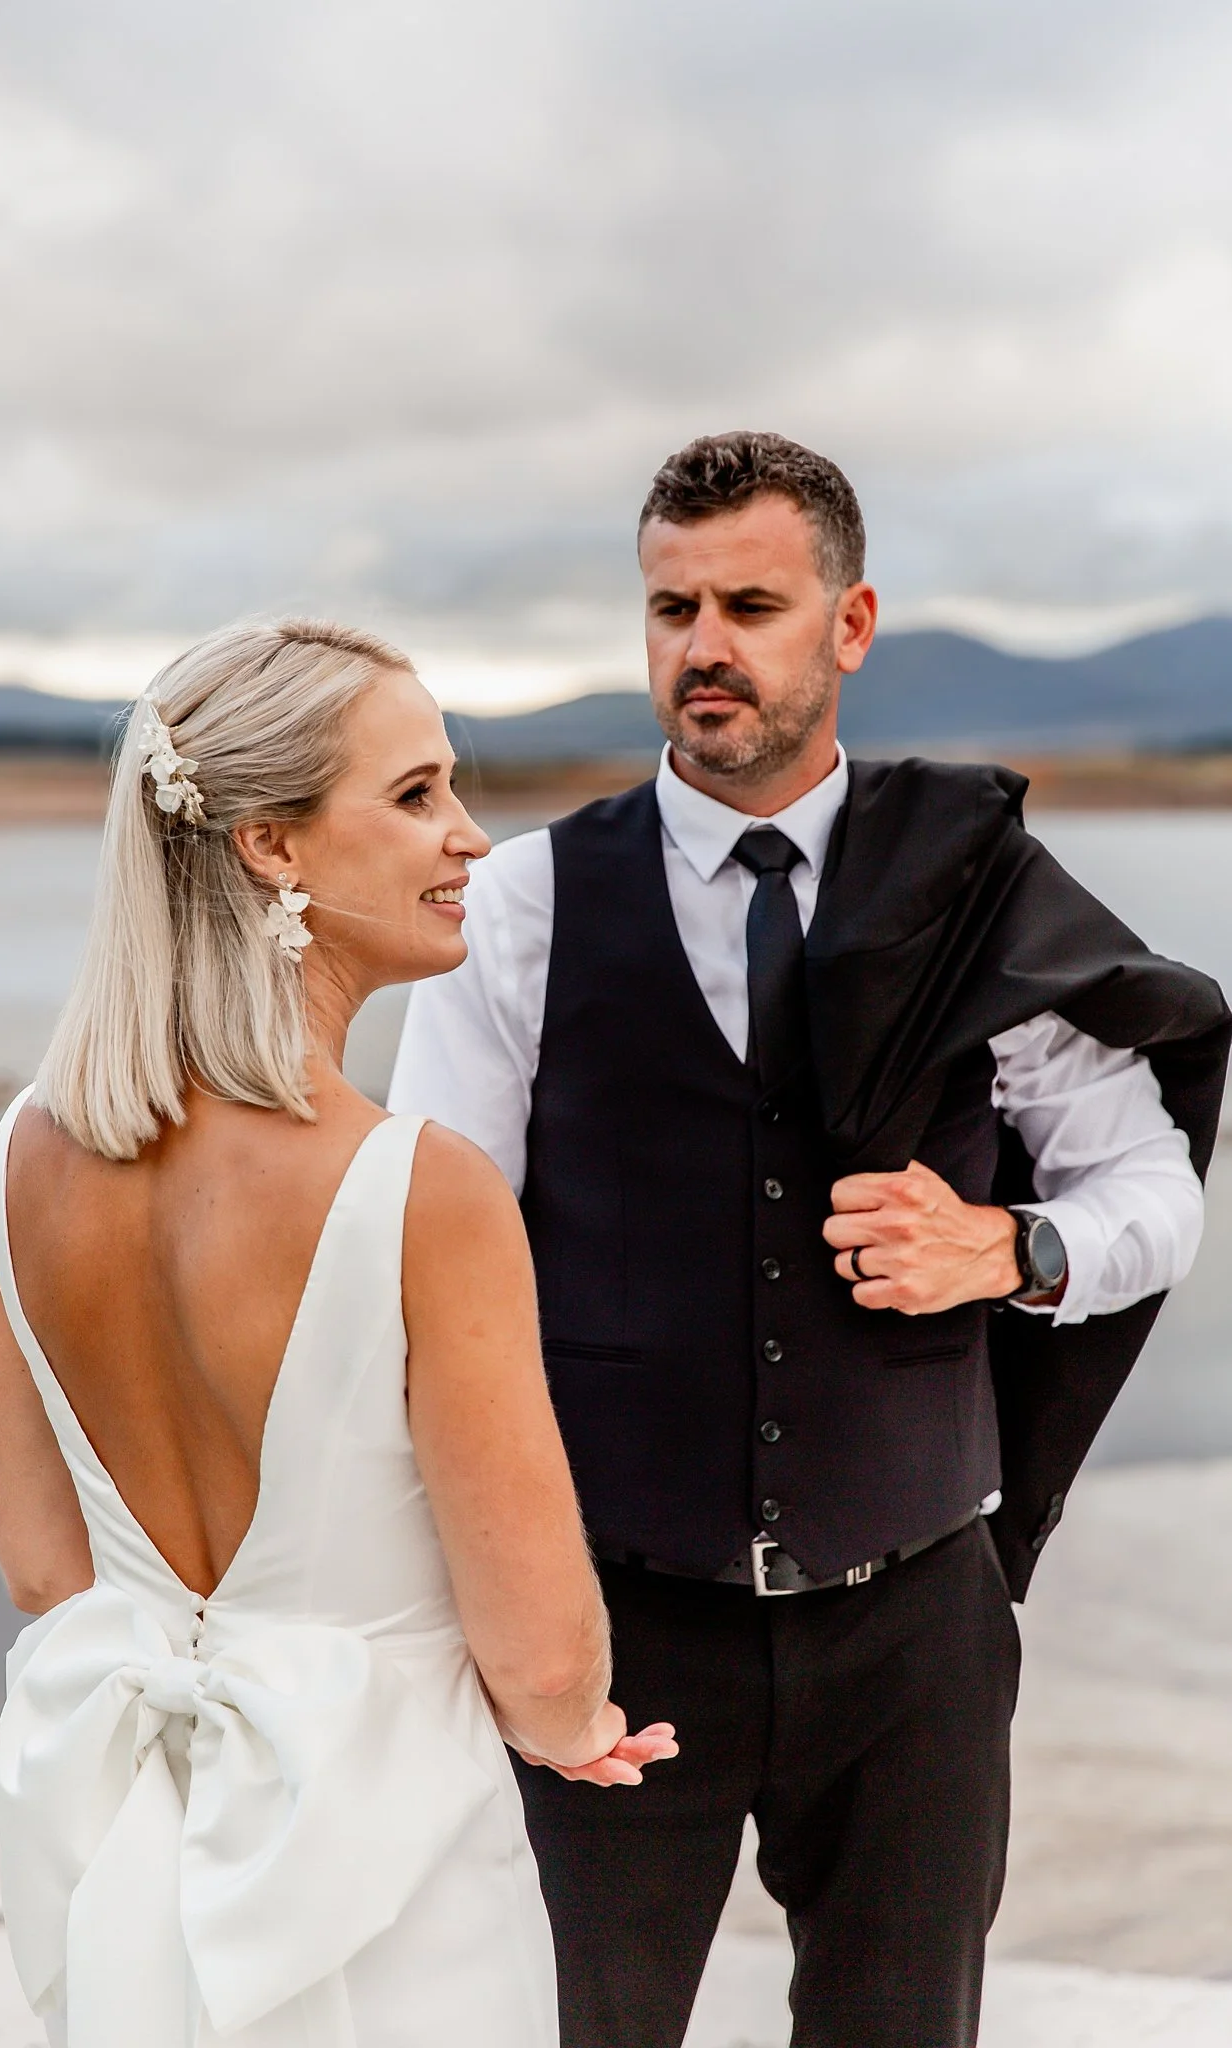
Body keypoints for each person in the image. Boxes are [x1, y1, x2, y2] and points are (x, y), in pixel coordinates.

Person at [389, 432, 1232, 2048]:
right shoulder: (524, 907)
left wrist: (1011, 1249)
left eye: (751, 605)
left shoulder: (977, 893)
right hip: (615, 1627)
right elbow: (443, 1261)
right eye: (671, 608)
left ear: (848, 628)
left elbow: (1154, 1192)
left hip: (913, 1625)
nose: (703, 647)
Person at [0, 617, 676, 2048]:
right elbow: (540, 1655)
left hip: (138, 1873)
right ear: (272, 846)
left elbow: (50, 1574)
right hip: (390, 1886)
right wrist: (576, 1726)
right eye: (416, 795)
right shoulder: (421, 1190)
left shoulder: (16, 1160)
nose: (471, 839)